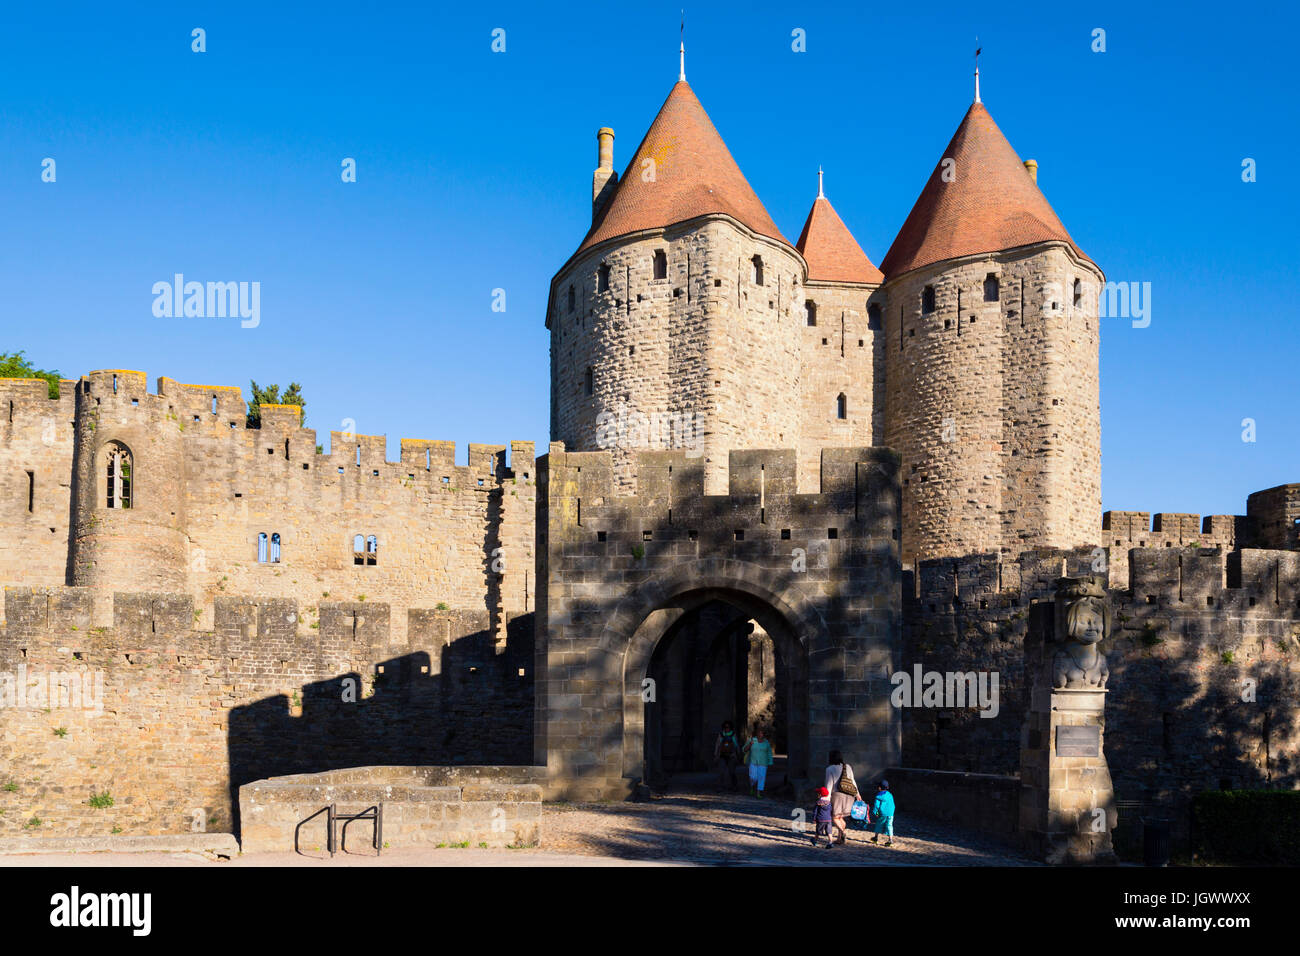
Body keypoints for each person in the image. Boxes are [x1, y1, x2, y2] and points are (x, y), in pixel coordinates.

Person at [823, 749, 859, 846]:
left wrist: (826, 799)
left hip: (837, 796)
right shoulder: (847, 767)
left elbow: (828, 785)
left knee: (834, 817)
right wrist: (858, 794)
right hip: (849, 795)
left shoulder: (829, 769)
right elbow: (852, 781)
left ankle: (842, 833)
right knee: (841, 817)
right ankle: (840, 839)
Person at [742, 726, 773, 797]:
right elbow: (744, 750)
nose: (760, 734)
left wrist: (770, 762)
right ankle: (752, 786)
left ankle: (758, 793)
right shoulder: (751, 740)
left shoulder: (766, 742)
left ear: (764, 734)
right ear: (756, 733)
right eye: (759, 733)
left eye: (762, 733)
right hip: (753, 762)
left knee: (761, 778)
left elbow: (769, 753)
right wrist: (750, 744)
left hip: (763, 763)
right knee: (753, 777)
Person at [713, 721, 742, 791]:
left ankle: (734, 785)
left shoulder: (733, 735)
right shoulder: (721, 735)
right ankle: (720, 786)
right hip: (722, 755)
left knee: (732, 772)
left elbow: (736, 745)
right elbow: (718, 744)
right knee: (721, 772)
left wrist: (738, 754)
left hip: (731, 755)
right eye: (725, 727)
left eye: (728, 727)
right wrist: (716, 754)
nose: (727, 729)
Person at [870, 779, 896, 847]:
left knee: (879, 824)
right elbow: (892, 804)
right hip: (890, 814)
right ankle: (890, 840)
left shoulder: (878, 796)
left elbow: (876, 806)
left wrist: (876, 813)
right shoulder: (890, 795)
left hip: (882, 814)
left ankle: (875, 838)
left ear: (879, 788)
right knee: (889, 826)